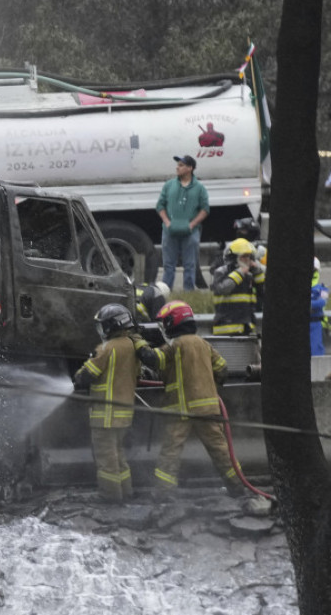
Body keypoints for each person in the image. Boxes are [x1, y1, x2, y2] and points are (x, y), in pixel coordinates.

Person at [138, 300, 245, 499]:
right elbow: (222, 369)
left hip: (180, 410)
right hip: (208, 409)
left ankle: (163, 493)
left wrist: (138, 342)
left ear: (173, 322)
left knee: (170, 452)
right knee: (221, 450)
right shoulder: (203, 344)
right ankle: (238, 487)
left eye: (165, 323)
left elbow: (154, 360)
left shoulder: (176, 345)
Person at [71, 303, 151, 502]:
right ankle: (126, 492)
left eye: (102, 326)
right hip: (124, 416)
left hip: (105, 416)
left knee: (106, 460)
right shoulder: (132, 346)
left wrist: (77, 377)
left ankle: (110, 497)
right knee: (119, 456)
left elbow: (88, 374)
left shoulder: (107, 348)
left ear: (111, 326)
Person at [156, 155, 209, 291]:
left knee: (190, 265)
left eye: (181, 165)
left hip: (190, 232)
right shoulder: (169, 185)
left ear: (190, 168)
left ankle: (188, 295)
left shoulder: (199, 188)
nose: (177, 167)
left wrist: (192, 224)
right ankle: (166, 293)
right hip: (169, 232)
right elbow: (160, 206)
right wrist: (167, 222)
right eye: (177, 165)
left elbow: (205, 209)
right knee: (168, 265)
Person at [210, 238, 265, 335]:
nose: (247, 259)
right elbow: (223, 289)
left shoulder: (250, 274)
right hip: (225, 327)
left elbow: (264, 292)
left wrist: (258, 272)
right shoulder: (221, 271)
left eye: (249, 256)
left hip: (246, 326)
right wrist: (239, 273)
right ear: (234, 257)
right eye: (243, 256)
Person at [311, 257, 329, 356]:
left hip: (317, 324)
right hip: (301, 325)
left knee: (316, 351)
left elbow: (322, 302)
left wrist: (310, 304)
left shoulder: (323, 288)